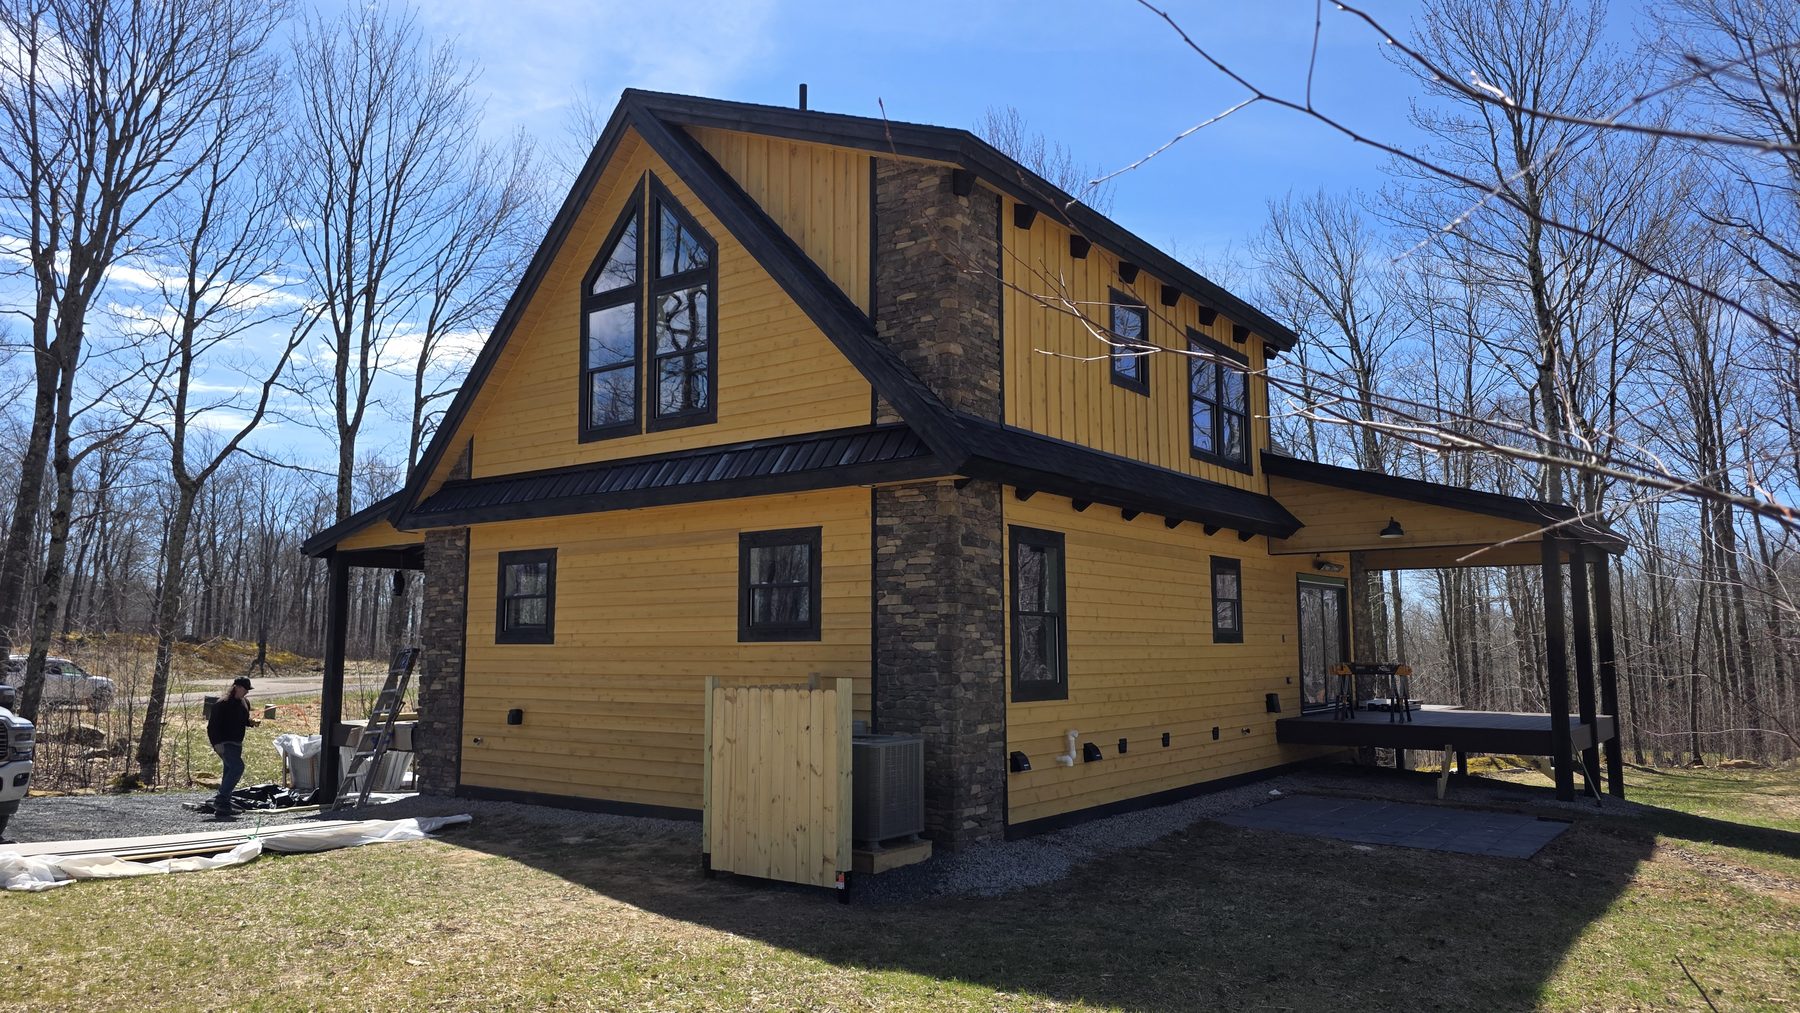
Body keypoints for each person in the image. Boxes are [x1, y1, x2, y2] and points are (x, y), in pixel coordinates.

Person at [207, 676, 259, 820]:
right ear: (236, 687)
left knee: (229, 772)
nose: (246, 692)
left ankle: (223, 809)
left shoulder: (245, 702)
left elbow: (242, 720)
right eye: (244, 689)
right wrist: (216, 744)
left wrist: (251, 723)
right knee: (238, 767)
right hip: (224, 743)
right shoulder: (222, 704)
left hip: (237, 743)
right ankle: (221, 799)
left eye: (248, 690)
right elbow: (212, 727)